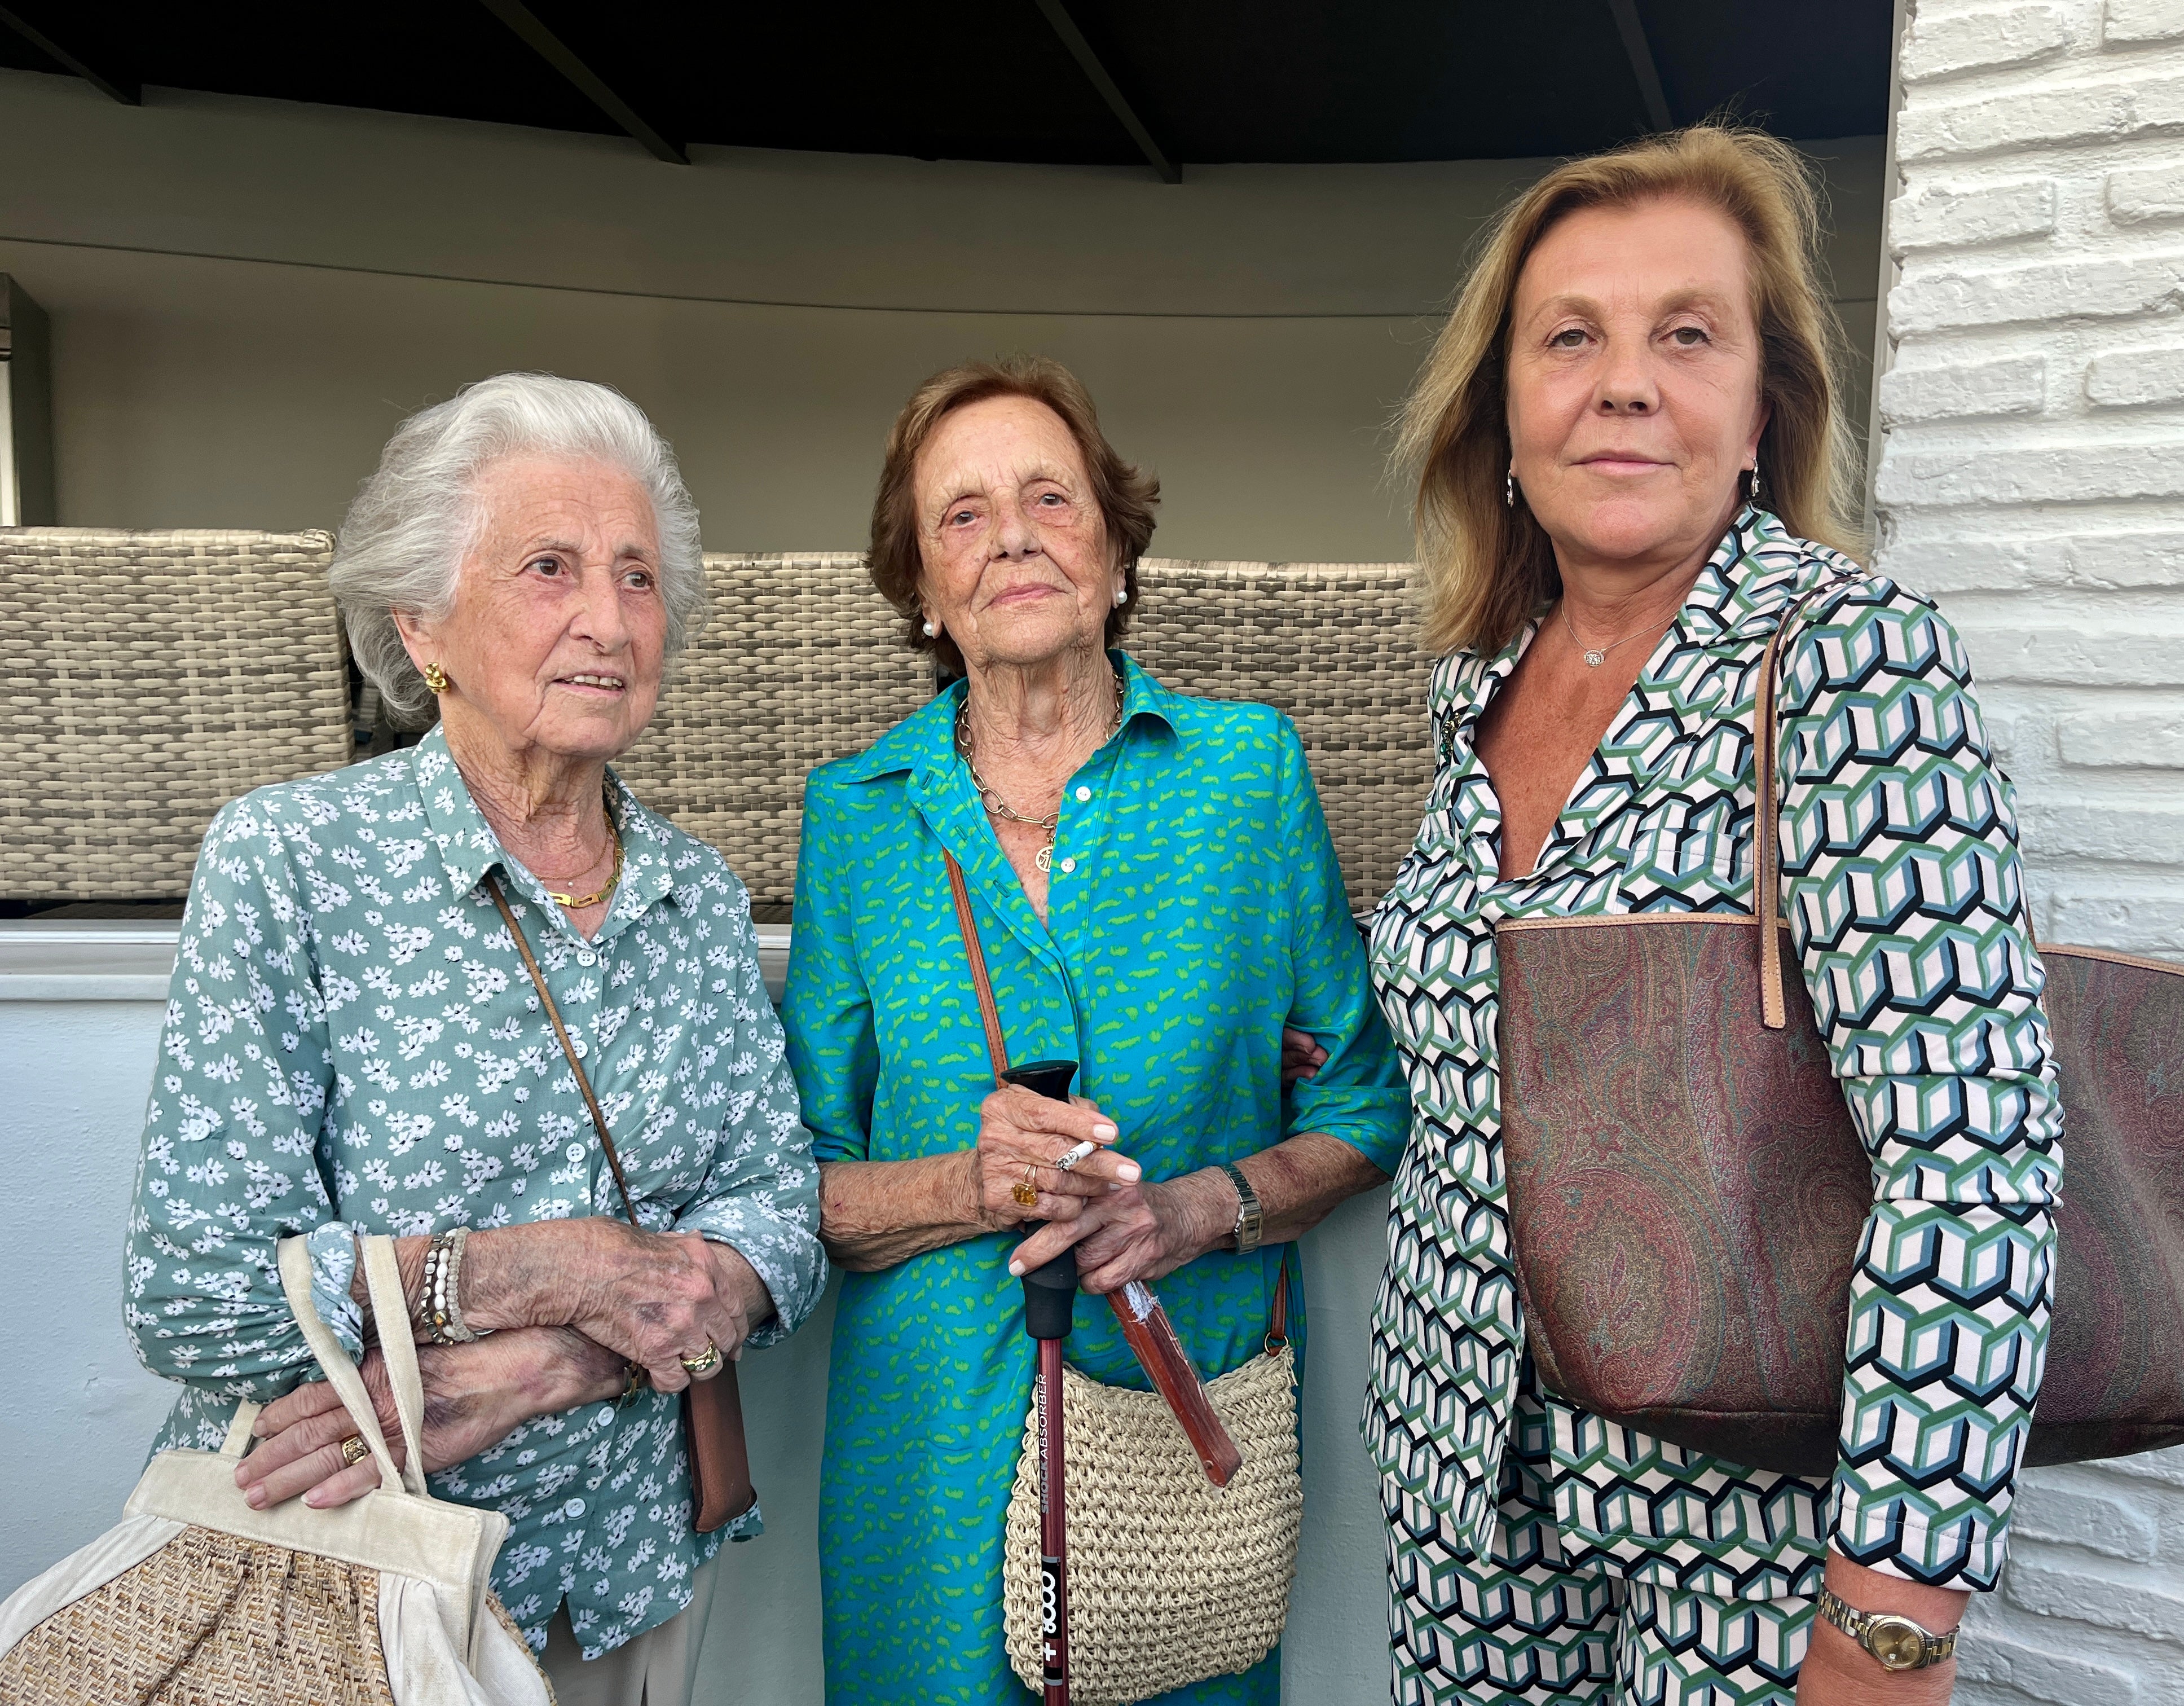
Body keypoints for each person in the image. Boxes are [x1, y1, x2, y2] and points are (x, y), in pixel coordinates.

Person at [1362, 126, 2063, 1705]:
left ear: (1761, 413)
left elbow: (1976, 1162)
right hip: (1460, 1498)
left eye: (1687, 335)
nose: (1623, 384)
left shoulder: (1847, 662)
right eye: (1571, 338)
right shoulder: (1478, 680)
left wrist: (1891, 1630)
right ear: (1509, 412)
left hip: (1741, 1538)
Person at [121, 373, 827, 1706]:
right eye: (549, 569)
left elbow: (779, 1219)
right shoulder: (294, 862)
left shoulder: (696, 892)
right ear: (421, 622)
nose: (607, 621)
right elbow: (193, 1293)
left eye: (638, 578)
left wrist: (545, 1364)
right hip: (342, 1567)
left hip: (626, 1567)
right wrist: (548, 1269)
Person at [783, 355, 1411, 1703]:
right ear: (925, 591)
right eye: (962, 515)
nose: (1010, 533)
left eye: (1050, 498)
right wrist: (969, 1183)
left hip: (1175, 1440)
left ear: (1117, 549)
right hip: (931, 1450)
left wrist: (1198, 1211)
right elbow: (799, 1187)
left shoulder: (1247, 776)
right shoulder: (858, 816)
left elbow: (1361, 1108)